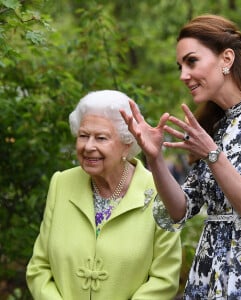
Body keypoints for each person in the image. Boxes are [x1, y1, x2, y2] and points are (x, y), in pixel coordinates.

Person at [120, 14, 241, 300]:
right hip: (208, 272)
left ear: (226, 59)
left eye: (192, 61)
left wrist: (213, 155)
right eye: (180, 66)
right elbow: (180, 210)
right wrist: (154, 159)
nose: (183, 75)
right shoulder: (212, 128)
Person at [26, 90, 182, 300]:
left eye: (101, 138)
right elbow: (39, 268)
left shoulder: (160, 192)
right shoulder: (61, 183)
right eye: (83, 136)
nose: (89, 146)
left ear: (127, 144)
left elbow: (164, 279)